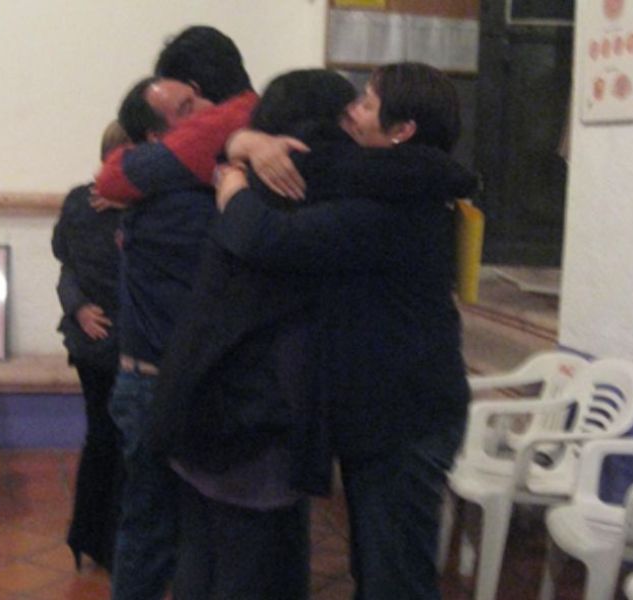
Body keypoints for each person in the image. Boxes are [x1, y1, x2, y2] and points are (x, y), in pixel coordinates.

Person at [177, 62, 477, 599]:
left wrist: (235, 183)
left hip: (406, 420)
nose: (352, 115)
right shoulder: (384, 180)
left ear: (402, 130)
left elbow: (266, 238)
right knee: (380, 565)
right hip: (385, 416)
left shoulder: (396, 207)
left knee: (395, 579)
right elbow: (319, 168)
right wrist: (246, 141)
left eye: (365, 103)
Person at [145, 69, 359, 600]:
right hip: (251, 410)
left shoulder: (245, 180)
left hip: (200, 390)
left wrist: (236, 151)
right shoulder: (313, 187)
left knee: (202, 552)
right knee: (247, 566)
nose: (358, 119)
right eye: (352, 110)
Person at [99, 26, 258, 600]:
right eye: (186, 111)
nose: (205, 120)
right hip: (157, 385)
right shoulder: (179, 201)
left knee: (172, 530)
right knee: (155, 531)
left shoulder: (169, 188)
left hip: (176, 381)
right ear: (156, 138)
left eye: (197, 104)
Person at [51, 120, 129, 571]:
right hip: (127, 344)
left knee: (101, 435)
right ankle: (116, 544)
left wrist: (79, 306)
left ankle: (88, 537)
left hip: (90, 342)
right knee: (123, 441)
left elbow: (64, 258)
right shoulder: (148, 207)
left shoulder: (79, 201)